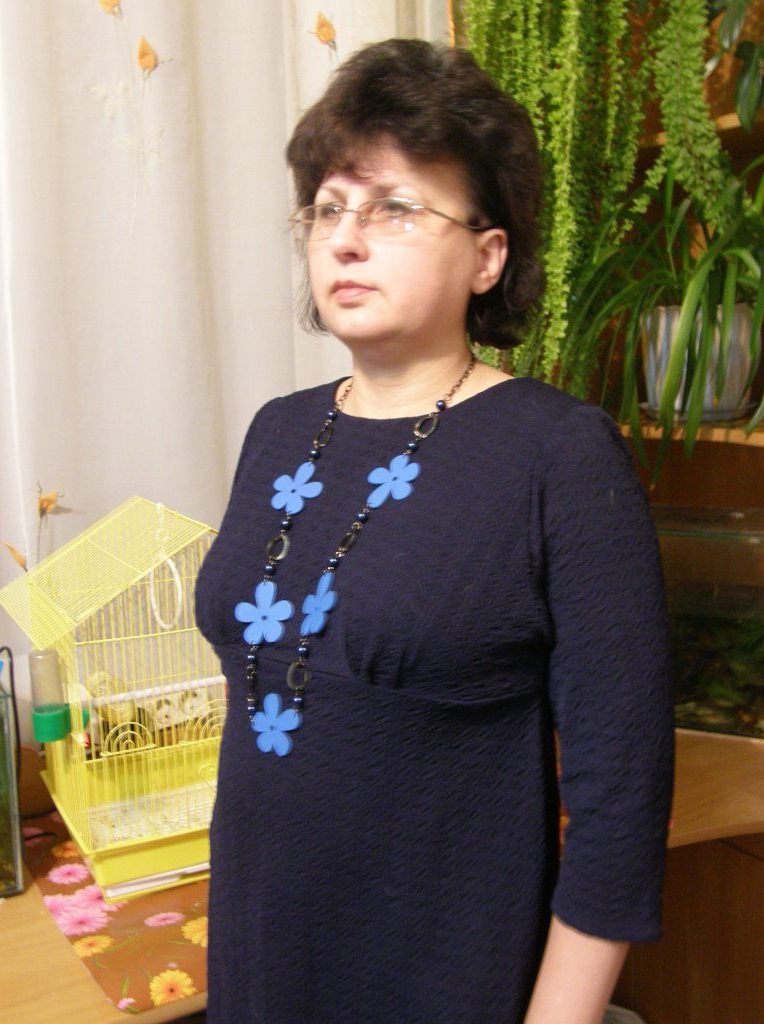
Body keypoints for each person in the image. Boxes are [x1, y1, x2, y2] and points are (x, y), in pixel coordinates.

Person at [195, 38, 674, 1024]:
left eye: (395, 208)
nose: (345, 239)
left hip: (439, 979)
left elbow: (620, 801)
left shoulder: (559, 453)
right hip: (260, 964)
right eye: (328, 207)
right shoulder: (278, 428)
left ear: (487, 256)